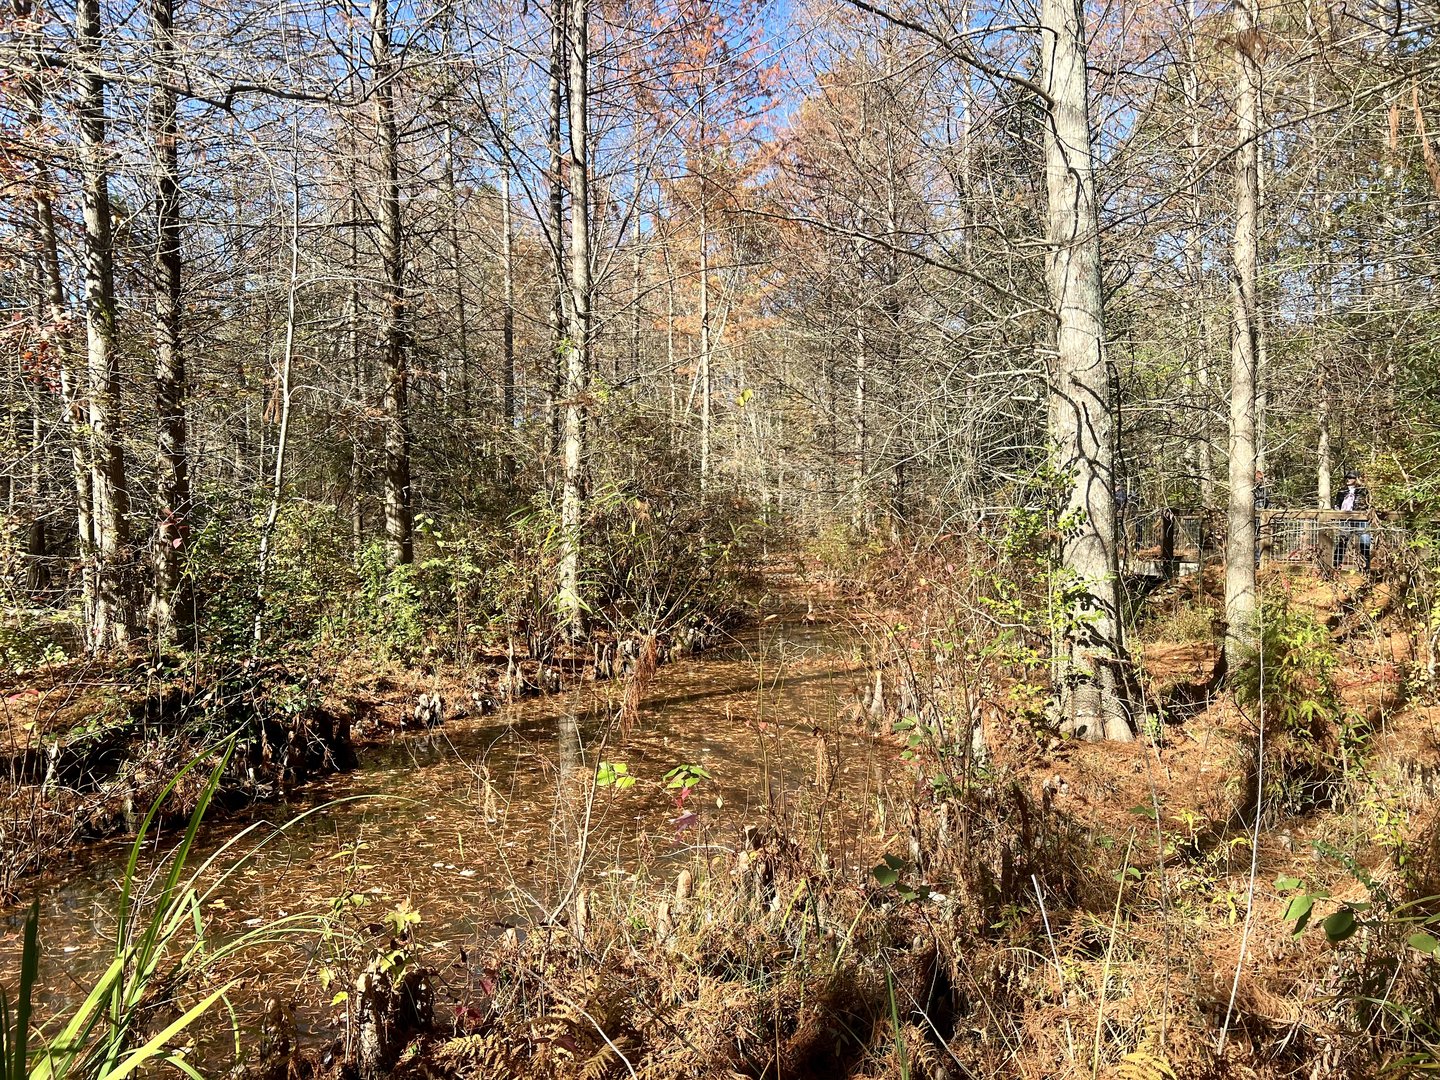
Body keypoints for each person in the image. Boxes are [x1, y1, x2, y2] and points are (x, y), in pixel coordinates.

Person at [1333, 470, 1373, 571]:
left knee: (1365, 541)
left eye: (1351, 478)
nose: (1348, 479)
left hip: (1361, 518)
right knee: (1342, 541)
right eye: (1347, 477)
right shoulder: (1342, 491)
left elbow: (1368, 504)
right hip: (1345, 518)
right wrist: (1338, 513)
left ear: (1357, 479)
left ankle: (1366, 565)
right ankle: (1336, 564)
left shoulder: (1363, 490)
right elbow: (1337, 504)